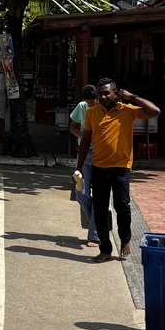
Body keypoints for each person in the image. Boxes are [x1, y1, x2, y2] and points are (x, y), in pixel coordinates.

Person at [76, 78, 161, 262]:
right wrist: (79, 167)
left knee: (122, 207)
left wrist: (133, 97)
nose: (103, 96)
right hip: (98, 167)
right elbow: (85, 141)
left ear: (115, 93)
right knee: (100, 209)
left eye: (107, 92)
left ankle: (125, 240)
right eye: (100, 93)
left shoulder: (127, 111)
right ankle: (105, 249)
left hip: (121, 169)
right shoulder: (92, 113)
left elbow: (154, 111)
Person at [69, 85, 100, 247]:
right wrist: (84, 136)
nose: (91, 104)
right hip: (84, 153)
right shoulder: (82, 107)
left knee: (100, 195)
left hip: (101, 154)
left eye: (93, 101)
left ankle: (95, 234)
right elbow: (72, 127)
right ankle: (97, 224)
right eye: (88, 102)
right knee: (81, 193)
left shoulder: (103, 108)